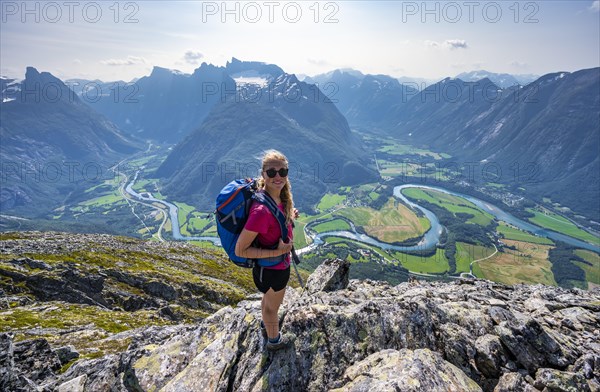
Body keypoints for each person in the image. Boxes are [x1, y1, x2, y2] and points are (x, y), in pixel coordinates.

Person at [235, 149, 298, 351]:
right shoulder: (261, 211)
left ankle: (266, 326)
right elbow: (241, 250)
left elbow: (275, 225)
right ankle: (274, 341)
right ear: (263, 174)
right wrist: (277, 252)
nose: (277, 177)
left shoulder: (278, 200)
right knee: (272, 309)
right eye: (271, 173)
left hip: (270, 268)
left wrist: (289, 217)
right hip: (273, 269)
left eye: (282, 171)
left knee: (267, 302)